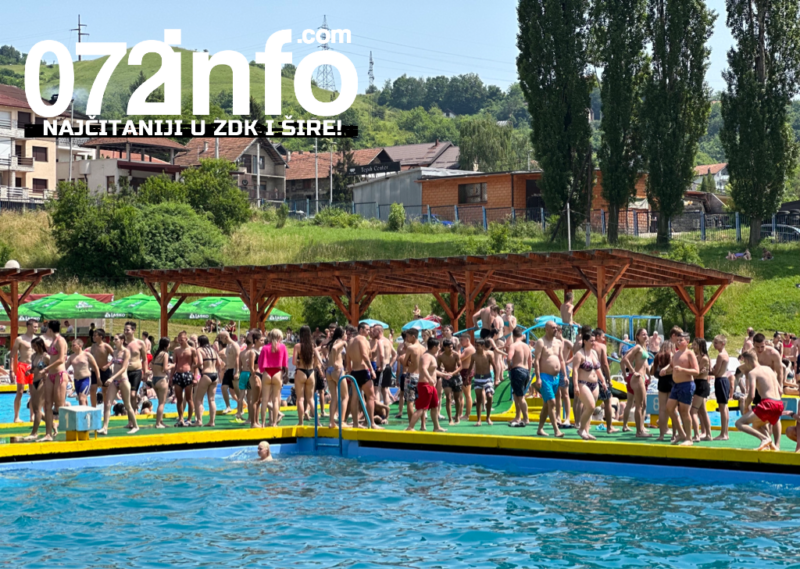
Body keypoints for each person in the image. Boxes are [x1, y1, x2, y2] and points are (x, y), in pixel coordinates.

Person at [735, 350, 784, 451]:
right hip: (779, 404)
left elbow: (751, 395)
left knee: (739, 423)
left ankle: (765, 439)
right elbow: (780, 390)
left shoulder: (753, 373)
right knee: (756, 425)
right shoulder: (769, 369)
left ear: (747, 361)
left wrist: (746, 407)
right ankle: (772, 445)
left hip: (768, 403)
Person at [99, 333, 139, 435]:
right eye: (114, 339)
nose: (114, 341)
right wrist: (107, 365)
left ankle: (135, 426)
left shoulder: (126, 352)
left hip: (123, 380)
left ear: (122, 340)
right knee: (108, 404)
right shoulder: (115, 352)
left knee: (127, 405)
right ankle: (105, 427)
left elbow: (124, 368)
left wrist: (111, 377)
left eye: (116, 339)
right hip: (114, 381)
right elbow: (114, 361)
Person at [665, 332, 699, 446]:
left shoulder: (689, 353)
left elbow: (696, 371)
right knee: (669, 408)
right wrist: (665, 369)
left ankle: (689, 438)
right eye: (678, 340)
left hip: (687, 384)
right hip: (676, 385)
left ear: (687, 342)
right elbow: (672, 366)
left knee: (684, 411)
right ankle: (681, 433)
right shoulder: (676, 354)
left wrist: (682, 370)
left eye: (681, 340)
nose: (678, 342)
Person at [533, 321, 566, 437]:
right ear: (546, 329)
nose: (555, 329)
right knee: (552, 402)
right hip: (544, 377)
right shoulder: (541, 342)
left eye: (556, 328)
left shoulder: (558, 342)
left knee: (547, 405)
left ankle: (540, 429)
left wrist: (565, 375)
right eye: (553, 328)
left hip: (556, 377)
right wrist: (538, 378)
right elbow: (536, 361)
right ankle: (556, 430)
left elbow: (561, 360)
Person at [406, 337, 446, 432]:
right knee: (422, 408)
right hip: (425, 385)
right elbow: (424, 368)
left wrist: (444, 375)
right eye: (439, 346)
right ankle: (410, 427)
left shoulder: (432, 356)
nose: (440, 348)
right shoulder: (427, 356)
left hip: (431, 385)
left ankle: (436, 427)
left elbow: (433, 370)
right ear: (434, 347)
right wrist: (430, 379)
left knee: (434, 407)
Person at [753, 332, 785, 449]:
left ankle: (777, 444)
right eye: (757, 347)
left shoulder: (773, 353)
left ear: (765, 343)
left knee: (775, 418)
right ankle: (767, 441)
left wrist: (780, 386)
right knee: (761, 417)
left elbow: (780, 372)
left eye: (762, 346)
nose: (760, 350)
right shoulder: (752, 354)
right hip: (758, 388)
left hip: (772, 387)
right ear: (753, 344)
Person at [346, 322, 379, 429]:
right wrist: (372, 370)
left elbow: (348, 358)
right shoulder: (362, 339)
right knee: (371, 396)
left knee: (355, 398)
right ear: (361, 330)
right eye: (367, 329)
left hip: (354, 372)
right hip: (363, 371)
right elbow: (365, 355)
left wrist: (350, 370)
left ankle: (356, 424)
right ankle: (372, 423)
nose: (369, 332)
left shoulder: (350, 341)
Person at [620, 328, 652, 438]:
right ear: (637, 336)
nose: (645, 336)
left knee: (643, 405)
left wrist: (649, 376)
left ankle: (641, 428)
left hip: (642, 377)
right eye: (643, 334)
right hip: (637, 378)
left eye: (646, 334)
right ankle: (639, 432)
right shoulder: (637, 347)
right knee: (639, 405)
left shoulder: (644, 348)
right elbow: (624, 359)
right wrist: (633, 371)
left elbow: (645, 364)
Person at [41, 320, 69, 441]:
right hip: (51, 375)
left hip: (59, 374)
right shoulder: (52, 341)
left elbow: (61, 359)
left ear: (50, 329)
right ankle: (48, 434)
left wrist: (46, 368)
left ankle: (68, 429)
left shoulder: (60, 341)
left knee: (59, 405)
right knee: (47, 404)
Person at [573, 331, 603, 441]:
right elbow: (575, 371)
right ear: (585, 341)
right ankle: (581, 429)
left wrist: (603, 381)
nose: (593, 343)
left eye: (594, 341)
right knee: (591, 406)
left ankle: (587, 431)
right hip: (583, 383)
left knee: (588, 409)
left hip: (595, 384)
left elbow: (598, 369)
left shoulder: (594, 353)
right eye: (591, 341)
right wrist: (575, 385)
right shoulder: (579, 354)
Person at [21, 338, 49, 441]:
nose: (33, 348)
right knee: (34, 407)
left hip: (43, 382)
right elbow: (34, 368)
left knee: (37, 409)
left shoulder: (46, 357)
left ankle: (34, 433)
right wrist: (29, 371)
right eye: (32, 346)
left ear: (41, 345)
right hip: (34, 381)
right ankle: (52, 425)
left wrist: (47, 375)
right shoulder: (33, 356)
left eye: (35, 346)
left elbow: (53, 369)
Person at [259, 329, 288, 427]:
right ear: (279, 336)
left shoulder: (264, 348)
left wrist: (262, 371)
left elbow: (260, 363)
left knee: (265, 400)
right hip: (277, 372)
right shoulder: (282, 347)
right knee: (276, 399)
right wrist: (286, 375)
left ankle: (263, 423)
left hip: (267, 372)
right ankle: (274, 423)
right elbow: (285, 363)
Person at [9, 319, 36, 423]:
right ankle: (16, 417)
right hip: (22, 366)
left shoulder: (37, 339)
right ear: (29, 327)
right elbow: (12, 355)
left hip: (33, 367)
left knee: (34, 392)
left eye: (37, 326)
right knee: (20, 392)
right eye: (34, 327)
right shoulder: (20, 339)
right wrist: (11, 370)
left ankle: (32, 416)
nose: (36, 328)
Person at [192, 335, 222, 427]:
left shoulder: (199, 350)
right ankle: (212, 421)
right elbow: (219, 363)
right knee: (212, 399)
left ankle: (199, 421)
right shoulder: (213, 350)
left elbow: (200, 362)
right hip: (215, 375)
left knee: (198, 399)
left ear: (199, 342)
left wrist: (194, 366)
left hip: (206, 374)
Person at [292, 326, 320, 427]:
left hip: (301, 371)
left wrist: (299, 361)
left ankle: (301, 422)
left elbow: (294, 362)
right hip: (311, 372)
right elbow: (316, 362)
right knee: (311, 399)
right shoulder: (312, 346)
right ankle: (318, 422)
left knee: (300, 399)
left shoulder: (297, 346)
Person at [398, 328, 425, 429]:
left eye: (408, 336)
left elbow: (404, 363)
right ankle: (423, 425)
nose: (406, 339)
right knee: (421, 401)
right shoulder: (424, 348)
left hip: (411, 375)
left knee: (410, 401)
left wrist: (409, 361)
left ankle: (411, 425)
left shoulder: (411, 348)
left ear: (413, 336)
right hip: (421, 376)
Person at [592, 329, 617, 433]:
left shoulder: (586, 346)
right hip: (599, 376)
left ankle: (581, 426)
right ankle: (609, 427)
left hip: (588, 375)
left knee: (585, 402)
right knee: (607, 401)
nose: (604, 339)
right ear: (597, 336)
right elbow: (605, 364)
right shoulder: (602, 346)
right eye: (603, 337)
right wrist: (609, 379)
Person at [653, 340, 678, 441]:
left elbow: (654, 371)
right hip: (671, 380)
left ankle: (661, 435)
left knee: (662, 409)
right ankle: (674, 434)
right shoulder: (672, 355)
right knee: (673, 409)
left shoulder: (658, 356)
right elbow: (673, 367)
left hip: (662, 381)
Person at [171, 331, 197, 427]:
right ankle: (181, 419)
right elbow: (174, 364)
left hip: (188, 374)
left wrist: (195, 377)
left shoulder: (192, 350)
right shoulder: (176, 350)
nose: (180, 342)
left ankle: (189, 419)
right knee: (179, 399)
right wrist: (171, 376)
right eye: (179, 340)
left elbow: (195, 364)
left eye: (182, 340)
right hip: (178, 374)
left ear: (186, 339)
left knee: (189, 399)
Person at [123, 322, 149, 419]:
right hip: (125, 372)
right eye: (124, 330)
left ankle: (133, 414)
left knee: (133, 394)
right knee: (127, 395)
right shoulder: (122, 343)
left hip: (136, 371)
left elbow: (145, 359)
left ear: (133, 330)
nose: (125, 331)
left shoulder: (140, 343)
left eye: (128, 330)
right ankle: (131, 418)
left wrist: (145, 372)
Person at [507, 328, 532, 428]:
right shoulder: (527, 346)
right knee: (516, 395)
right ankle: (518, 417)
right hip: (525, 371)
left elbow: (509, 358)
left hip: (517, 370)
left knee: (520, 396)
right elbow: (530, 361)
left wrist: (510, 366)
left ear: (513, 335)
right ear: (521, 335)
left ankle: (526, 418)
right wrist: (529, 372)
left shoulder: (513, 345)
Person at [65, 339, 100, 407]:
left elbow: (96, 367)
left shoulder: (87, 355)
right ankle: (87, 412)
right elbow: (64, 368)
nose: (72, 347)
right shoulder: (72, 357)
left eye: (74, 345)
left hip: (85, 379)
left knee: (82, 399)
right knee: (82, 399)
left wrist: (98, 379)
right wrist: (67, 375)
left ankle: (83, 414)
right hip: (76, 380)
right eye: (71, 346)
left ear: (80, 345)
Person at [689, 337, 712, 442]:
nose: (693, 346)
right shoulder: (696, 357)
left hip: (701, 385)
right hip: (698, 383)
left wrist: (691, 372)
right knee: (702, 411)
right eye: (693, 344)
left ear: (700, 346)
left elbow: (697, 373)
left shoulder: (704, 358)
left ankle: (696, 436)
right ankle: (708, 435)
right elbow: (697, 372)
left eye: (695, 344)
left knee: (693, 411)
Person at [471, 339, 498, 427]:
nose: (476, 347)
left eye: (477, 345)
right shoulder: (474, 356)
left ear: (483, 346)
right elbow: (470, 367)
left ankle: (488, 417)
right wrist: (467, 377)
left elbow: (494, 366)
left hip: (487, 378)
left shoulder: (488, 355)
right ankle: (479, 420)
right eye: (475, 345)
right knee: (478, 399)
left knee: (489, 396)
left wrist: (496, 379)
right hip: (478, 378)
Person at [325, 327, 348, 429]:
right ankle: (342, 421)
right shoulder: (341, 342)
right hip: (337, 370)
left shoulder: (332, 342)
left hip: (329, 371)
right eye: (345, 333)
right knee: (345, 396)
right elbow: (335, 349)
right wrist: (335, 362)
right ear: (342, 334)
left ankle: (331, 422)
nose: (346, 335)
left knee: (334, 397)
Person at [437, 338, 462, 425]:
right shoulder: (440, 356)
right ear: (444, 347)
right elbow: (438, 367)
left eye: (452, 347)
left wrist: (453, 373)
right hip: (446, 378)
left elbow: (460, 366)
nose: (451, 348)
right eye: (449, 347)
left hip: (456, 377)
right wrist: (443, 371)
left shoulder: (455, 354)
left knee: (457, 398)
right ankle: (450, 419)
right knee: (448, 398)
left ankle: (457, 416)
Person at [149, 337, 172, 429]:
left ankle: (161, 421)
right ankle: (158, 423)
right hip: (162, 379)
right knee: (162, 403)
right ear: (167, 345)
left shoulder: (156, 353)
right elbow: (165, 369)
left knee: (160, 402)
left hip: (154, 379)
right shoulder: (165, 354)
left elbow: (150, 365)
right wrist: (172, 365)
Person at [710, 335, 731, 441]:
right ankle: (725, 432)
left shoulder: (721, 355)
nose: (714, 345)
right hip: (724, 380)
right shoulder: (725, 354)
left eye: (716, 343)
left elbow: (716, 372)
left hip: (721, 380)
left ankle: (723, 434)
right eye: (714, 342)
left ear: (722, 343)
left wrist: (707, 370)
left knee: (722, 408)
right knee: (725, 407)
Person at [218, 331, 240, 418]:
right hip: (228, 369)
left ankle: (240, 408)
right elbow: (229, 359)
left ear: (226, 337)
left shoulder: (235, 345)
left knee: (237, 391)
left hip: (234, 369)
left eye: (221, 338)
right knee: (223, 387)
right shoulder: (227, 346)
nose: (220, 340)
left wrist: (237, 371)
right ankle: (228, 406)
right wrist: (225, 366)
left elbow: (237, 358)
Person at [554, 327, 573, 428]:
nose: (554, 332)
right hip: (555, 369)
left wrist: (569, 361)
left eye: (556, 330)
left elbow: (578, 352)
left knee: (565, 394)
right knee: (557, 394)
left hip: (564, 368)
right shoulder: (554, 342)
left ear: (560, 331)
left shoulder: (566, 342)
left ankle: (567, 418)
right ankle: (558, 417)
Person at [89, 328, 113, 409]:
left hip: (104, 370)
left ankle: (106, 409)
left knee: (105, 391)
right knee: (92, 390)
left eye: (95, 335)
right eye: (93, 335)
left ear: (101, 336)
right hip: (94, 371)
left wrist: (108, 365)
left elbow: (115, 357)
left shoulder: (106, 346)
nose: (93, 337)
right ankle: (93, 408)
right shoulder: (93, 346)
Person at [247, 331, 264, 428]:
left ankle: (257, 421)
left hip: (261, 374)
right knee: (254, 400)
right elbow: (251, 367)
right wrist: (255, 377)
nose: (263, 342)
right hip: (255, 375)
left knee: (260, 400)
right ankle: (253, 423)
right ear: (256, 340)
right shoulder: (252, 352)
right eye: (261, 340)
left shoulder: (261, 350)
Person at [459, 334, 475, 420]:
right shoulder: (466, 348)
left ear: (467, 340)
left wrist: (457, 349)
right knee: (460, 393)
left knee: (467, 394)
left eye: (462, 340)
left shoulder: (469, 349)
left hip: (466, 372)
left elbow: (459, 359)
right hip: (463, 371)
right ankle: (460, 413)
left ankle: (467, 414)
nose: (460, 342)